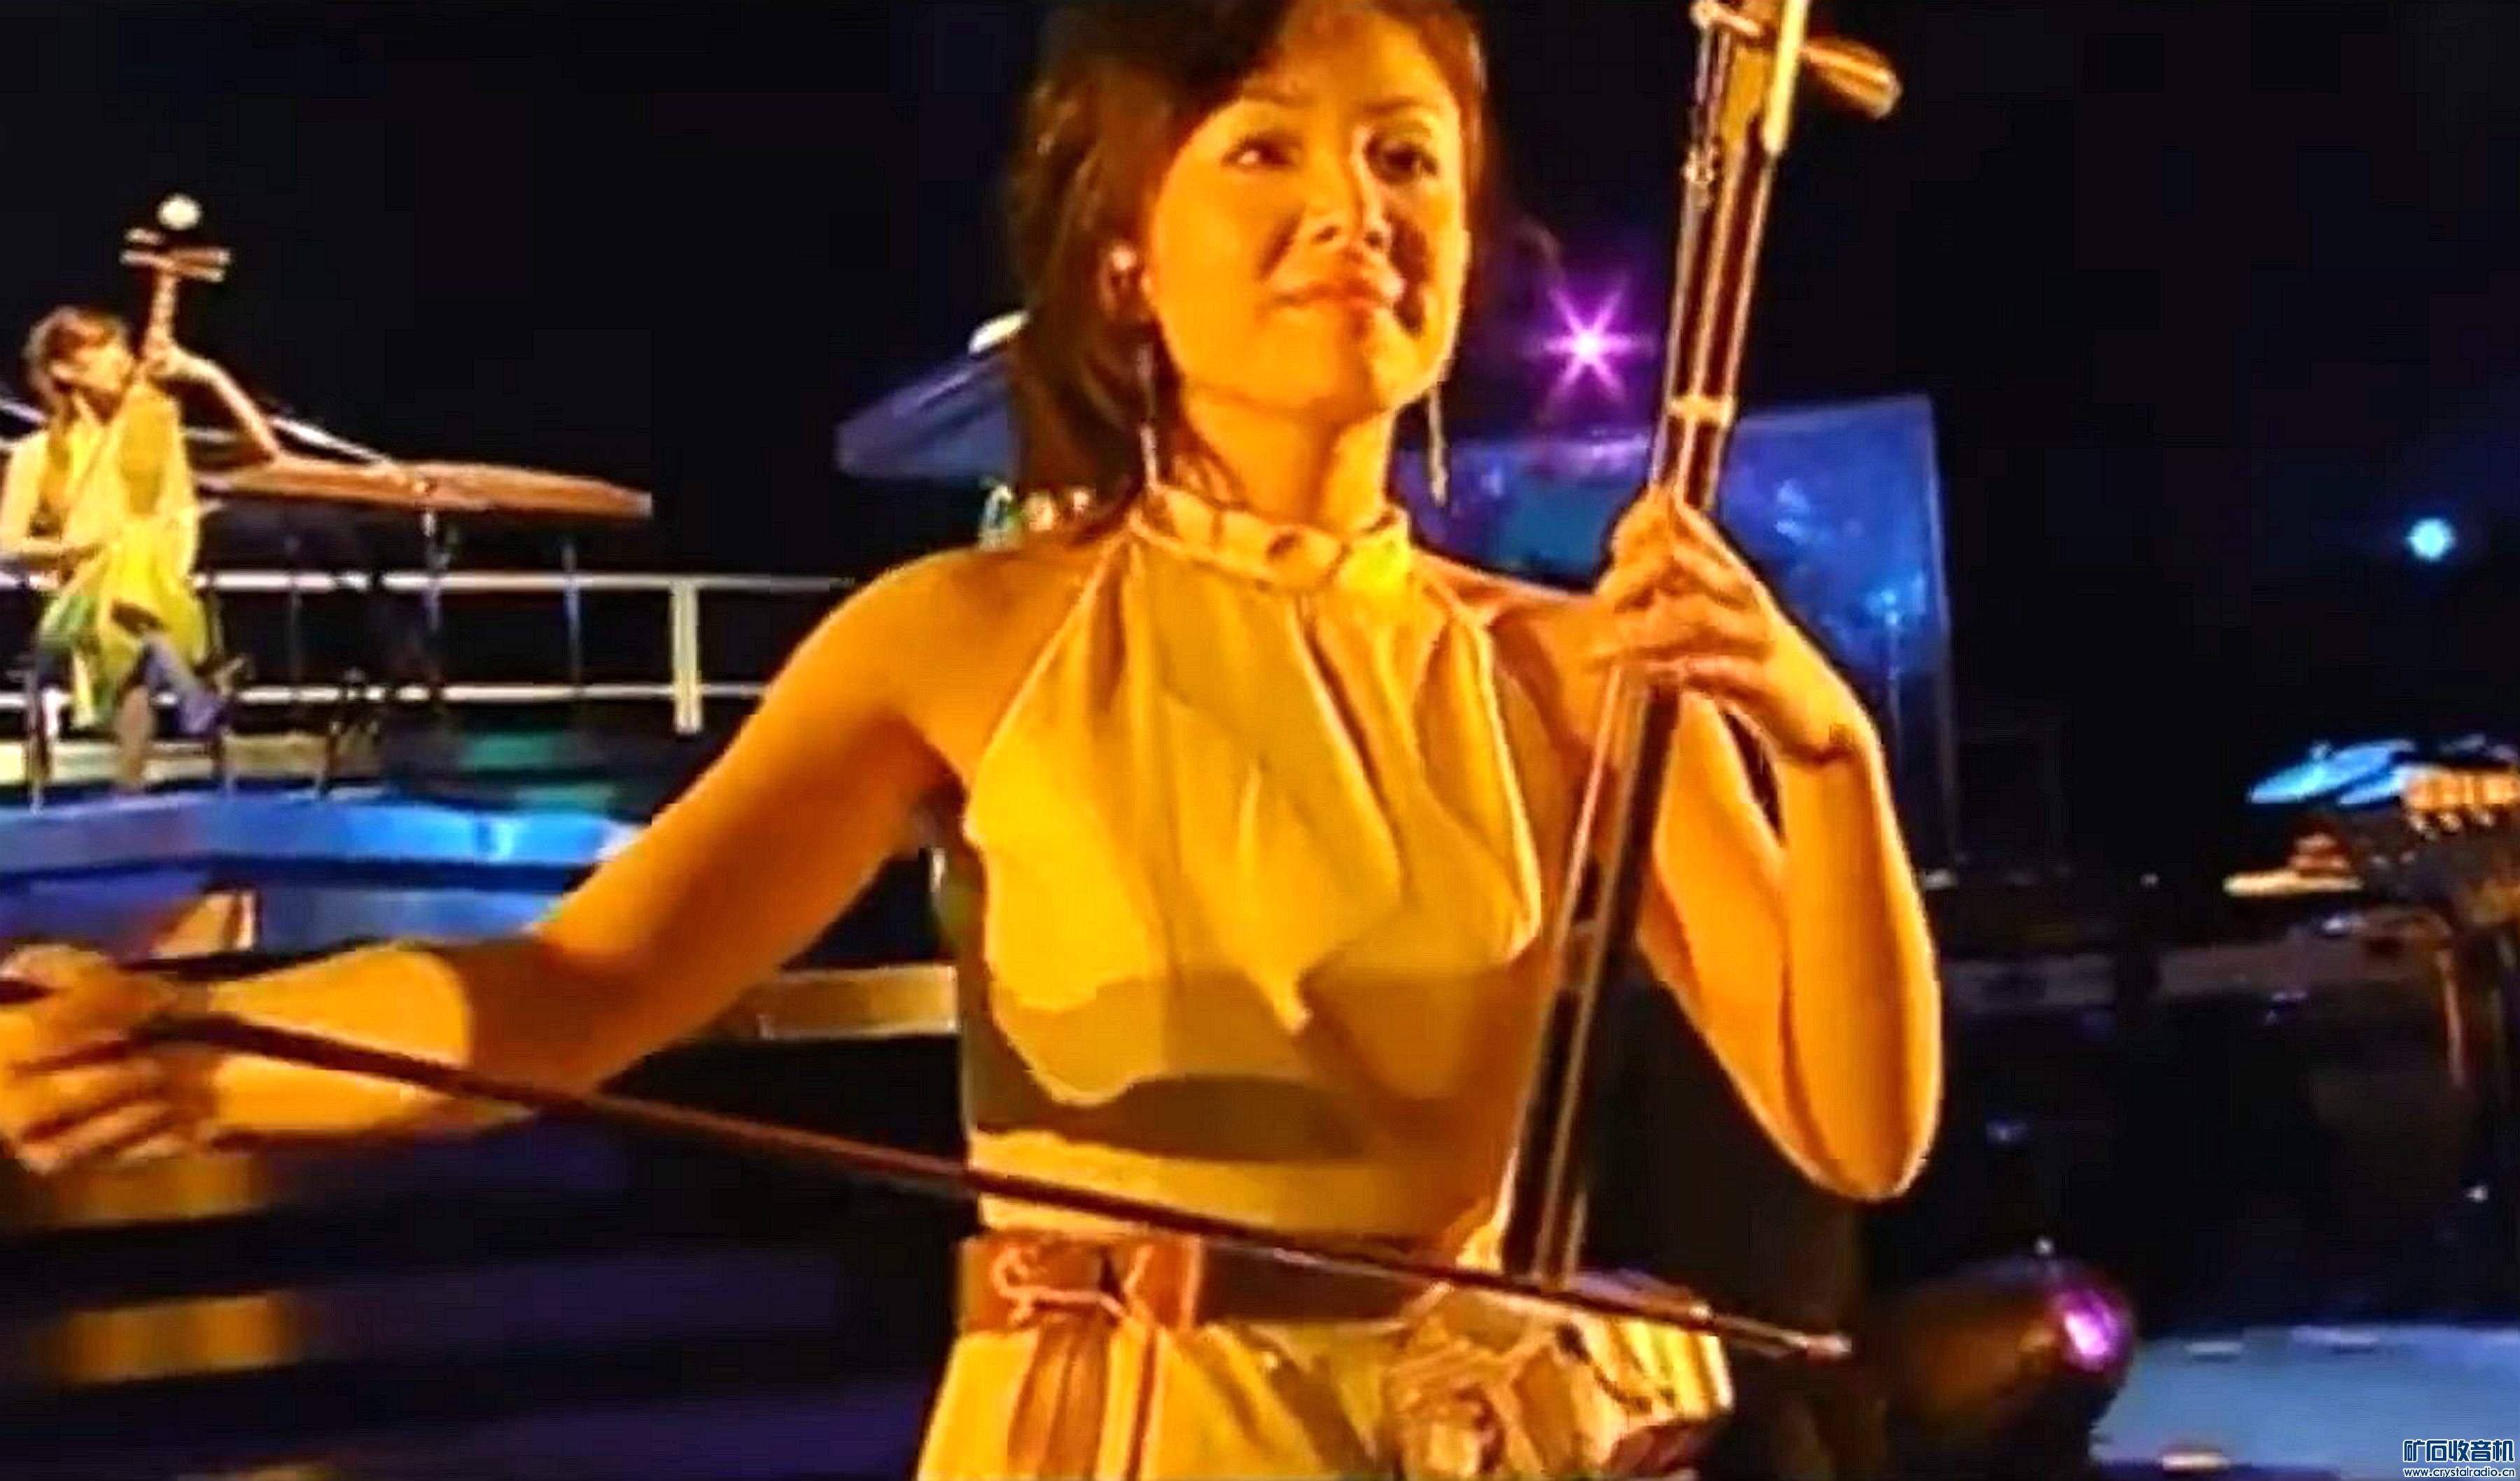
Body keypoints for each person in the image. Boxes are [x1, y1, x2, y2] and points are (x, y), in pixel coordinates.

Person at [0, 1, 1942, 1475]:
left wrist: (1826, 754)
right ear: (1123, 254)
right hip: (1107, 1431)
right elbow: (577, 987)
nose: (1354, 211)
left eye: (1407, 159)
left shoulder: (1575, 671)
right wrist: (209, 1061)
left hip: (1450, 1433)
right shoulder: (970, 633)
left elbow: (1864, 1126)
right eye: (1263, 149)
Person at [0, 304, 281, 792]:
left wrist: (208, 376)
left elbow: (264, 451)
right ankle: (191, 692)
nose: (123, 363)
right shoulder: (36, 454)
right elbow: (6, 546)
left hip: (157, 603)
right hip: (76, 614)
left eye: (123, 352)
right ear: (65, 372)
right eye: (104, 353)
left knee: (133, 583)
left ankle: (131, 786)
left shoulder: (149, 438)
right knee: (125, 563)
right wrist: (72, 550)